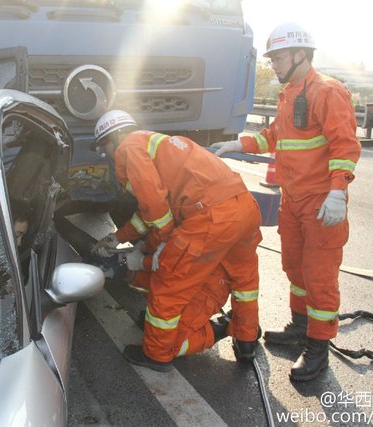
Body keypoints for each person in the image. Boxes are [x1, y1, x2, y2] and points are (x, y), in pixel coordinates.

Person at [211, 22, 362, 382]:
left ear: (300, 55)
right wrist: (238, 145)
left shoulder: (327, 91)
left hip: (322, 203)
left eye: (278, 58)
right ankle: (300, 326)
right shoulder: (291, 93)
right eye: (273, 58)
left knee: (319, 276)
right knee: (294, 269)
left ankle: (318, 347)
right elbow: (274, 137)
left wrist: (338, 190)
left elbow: (345, 145)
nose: (274, 65)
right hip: (293, 202)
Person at [91, 109, 263, 372]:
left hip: (211, 216)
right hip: (244, 207)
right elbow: (150, 213)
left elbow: (156, 210)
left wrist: (160, 246)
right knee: (245, 279)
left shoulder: (129, 147)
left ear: (112, 139)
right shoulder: (158, 144)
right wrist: (118, 236)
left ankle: (157, 355)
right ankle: (247, 339)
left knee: (169, 283)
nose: (109, 155)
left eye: (105, 148)